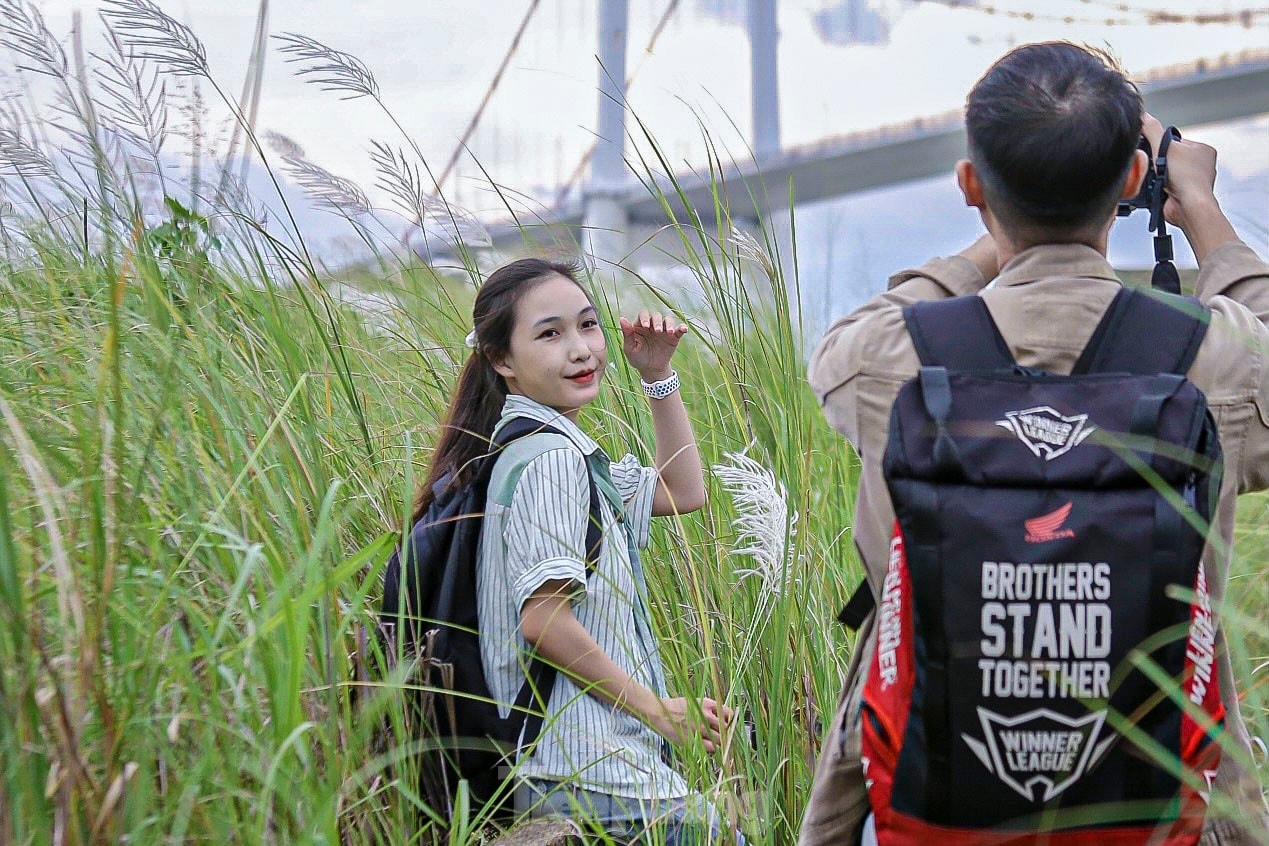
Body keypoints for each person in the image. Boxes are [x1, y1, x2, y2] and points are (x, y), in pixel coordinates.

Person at [799, 42, 1269, 845]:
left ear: (969, 186)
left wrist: (996, 235)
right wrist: (1197, 207)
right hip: (1163, 807)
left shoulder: (887, 359)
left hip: (928, 794)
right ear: (1130, 182)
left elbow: (850, 341)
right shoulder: (1214, 357)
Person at [413, 257, 742, 844]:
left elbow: (682, 490)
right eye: (550, 333)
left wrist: (657, 376)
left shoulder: (532, 451)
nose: (580, 349)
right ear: (501, 360)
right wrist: (657, 710)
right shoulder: (551, 462)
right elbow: (543, 622)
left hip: (568, 762)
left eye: (588, 325)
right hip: (581, 763)